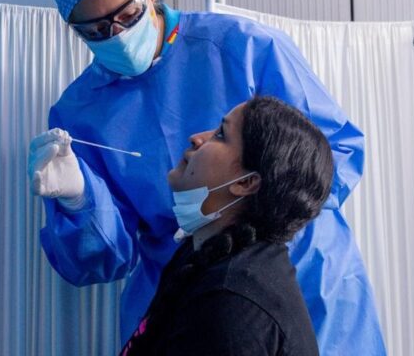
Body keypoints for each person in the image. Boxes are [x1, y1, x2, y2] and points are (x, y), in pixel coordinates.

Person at [28, 0, 386, 355]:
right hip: (187, 284)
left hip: (298, 260)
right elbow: (105, 255)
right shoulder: (80, 113)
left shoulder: (244, 47)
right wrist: (78, 202)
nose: (117, 33)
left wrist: (259, 225)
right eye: (97, 30)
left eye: (127, 15)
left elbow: (329, 154)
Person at [121, 96, 328, 355]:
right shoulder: (203, 256)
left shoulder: (231, 305)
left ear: (245, 183)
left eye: (220, 134)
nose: (196, 138)